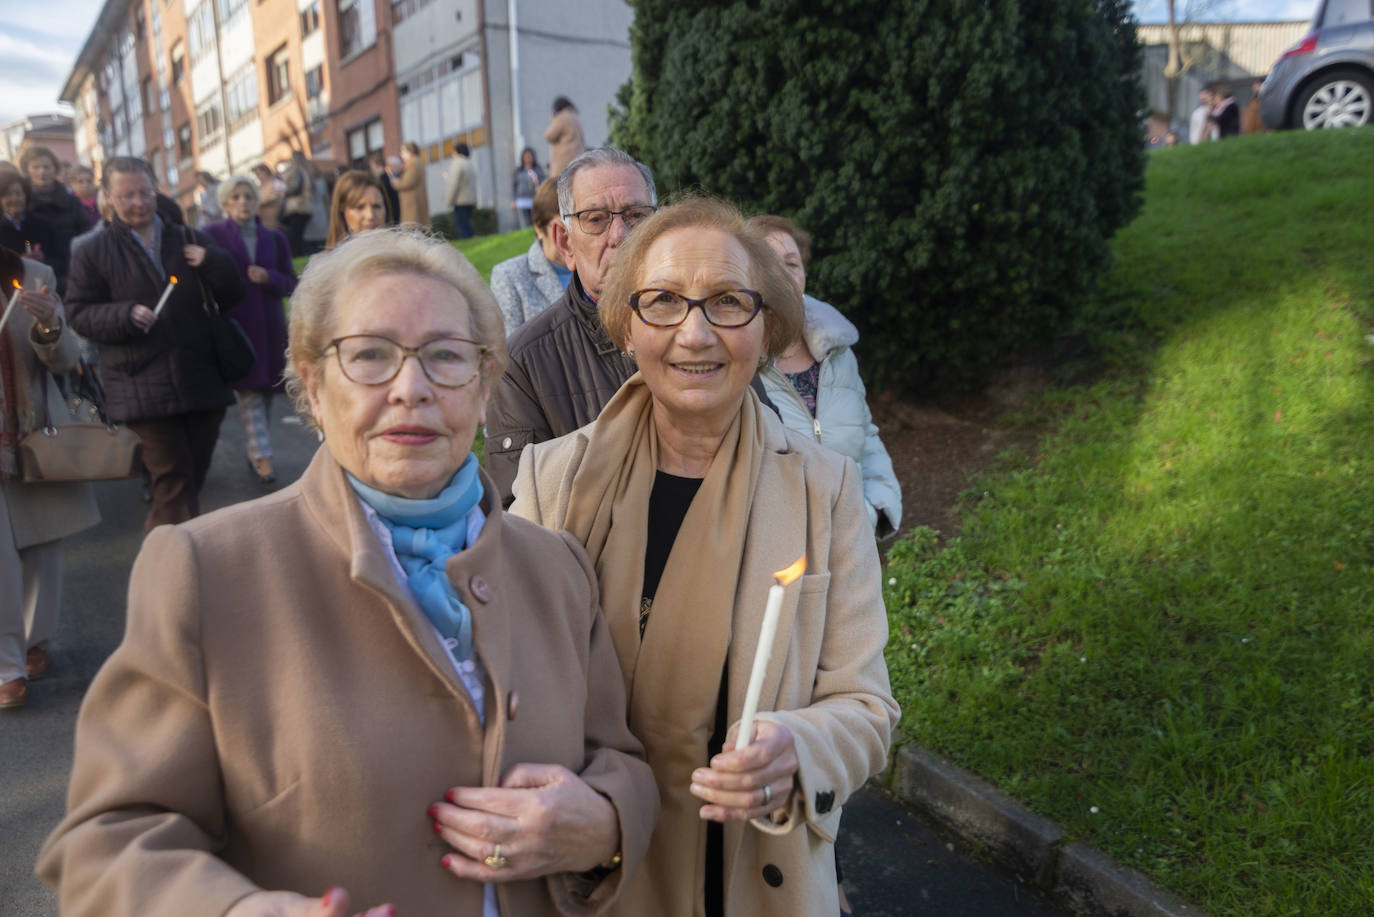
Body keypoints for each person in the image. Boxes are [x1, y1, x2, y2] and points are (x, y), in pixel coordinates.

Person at [38, 227, 658, 916]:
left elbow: (622, 763)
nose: (411, 388)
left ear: (485, 387)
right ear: (313, 383)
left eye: (447, 356)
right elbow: (106, 844)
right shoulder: (205, 571)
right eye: (370, 355)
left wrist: (603, 824)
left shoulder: (557, 568)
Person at [511, 196, 898, 916]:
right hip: (592, 878)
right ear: (625, 325)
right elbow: (509, 689)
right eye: (662, 301)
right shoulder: (550, 481)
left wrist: (799, 747)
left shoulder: (826, 490)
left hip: (749, 879)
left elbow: (867, 706)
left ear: (767, 326)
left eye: (727, 302)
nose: (695, 333)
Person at [64, 156, 246, 531]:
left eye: (144, 192)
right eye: (126, 195)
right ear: (109, 198)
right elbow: (78, 313)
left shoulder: (190, 238)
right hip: (139, 382)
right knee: (173, 483)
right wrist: (125, 314)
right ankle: (177, 572)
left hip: (201, 377)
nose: (138, 202)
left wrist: (213, 262)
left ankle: (166, 555)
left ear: (156, 188)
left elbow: (233, 295)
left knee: (190, 478)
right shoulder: (92, 250)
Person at [483, 148, 655, 501]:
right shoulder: (522, 364)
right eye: (596, 219)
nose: (620, 234)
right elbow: (519, 518)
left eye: (636, 215)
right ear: (565, 243)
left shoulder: (707, 326)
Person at [749, 214, 902, 537]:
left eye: (792, 263)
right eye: (768, 263)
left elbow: (867, 436)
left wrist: (875, 509)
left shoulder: (839, 352)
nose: (784, 274)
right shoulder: (735, 362)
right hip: (778, 554)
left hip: (852, 544)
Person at [0, 249, 101, 710]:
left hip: (34, 427)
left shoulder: (33, 273)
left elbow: (64, 360)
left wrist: (49, 327)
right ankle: (7, 666)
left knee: (43, 546)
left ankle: (33, 639)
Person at [203, 173, 298, 484]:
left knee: (266, 391)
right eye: (236, 197)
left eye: (248, 196)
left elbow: (291, 283)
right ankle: (262, 455)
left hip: (270, 325)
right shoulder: (211, 234)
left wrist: (269, 277)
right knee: (249, 392)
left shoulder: (275, 238)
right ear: (226, 203)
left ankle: (258, 447)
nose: (243, 202)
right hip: (237, 324)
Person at [489, 176, 569, 335]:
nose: (571, 237)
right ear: (539, 227)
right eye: (561, 228)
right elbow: (509, 350)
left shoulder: (599, 269)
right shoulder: (510, 276)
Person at [20, 145, 92, 296]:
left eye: (47, 167)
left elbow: (86, 232)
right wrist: (29, 249)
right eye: (36, 167)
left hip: (71, 272)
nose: (42, 172)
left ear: (54, 169)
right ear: (28, 170)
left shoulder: (71, 202)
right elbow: (23, 238)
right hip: (37, 277)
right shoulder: (22, 203)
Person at [0, 172, 56, 268]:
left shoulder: (42, 224)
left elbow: (61, 259)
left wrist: (43, 259)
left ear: (26, 195)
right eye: (8, 194)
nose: (15, 199)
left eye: (18, 193)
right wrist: (18, 261)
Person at [323, 169, 390, 250]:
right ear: (342, 210)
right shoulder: (327, 261)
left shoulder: (402, 255)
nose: (370, 215)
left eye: (376, 206)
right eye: (360, 207)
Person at [279, 151, 316, 256]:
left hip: (297, 207)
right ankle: (301, 254)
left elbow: (296, 188)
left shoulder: (297, 171)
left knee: (295, 236)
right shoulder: (308, 171)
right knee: (298, 235)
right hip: (306, 207)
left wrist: (284, 193)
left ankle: (297, 255)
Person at [545, 97, 586, 178]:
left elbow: (549, 136)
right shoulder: (576, 117)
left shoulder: (562, 117)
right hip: (577, 159)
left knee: (560, 187)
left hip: (563, 162)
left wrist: (554, 120)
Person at [446, 142, 478, 239]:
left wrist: (449, 201)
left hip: (460, 200)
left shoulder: (457, 163)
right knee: (466, 223)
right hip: (470, 199)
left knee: (461, 225)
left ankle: (469, 243)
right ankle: (473, 240)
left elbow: (454, 184)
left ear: (456, 152)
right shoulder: (469, 163)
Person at [394, 141, 430, 228]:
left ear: (410, 151)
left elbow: (407, 182)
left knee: (412, 228)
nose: (401, 154)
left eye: (403, 151)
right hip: (414, 201)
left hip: (412, 203)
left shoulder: (413, 163)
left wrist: (395, 182)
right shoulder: (415, 162)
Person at [512, 146, 546, 227]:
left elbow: (544, 181)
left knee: (535, 217)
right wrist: (514, 200)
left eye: (529, 156)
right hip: (522, 198)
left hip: (534, 198)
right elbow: (514, 186)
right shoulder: (519, 171)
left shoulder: (537, 169)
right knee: (525, 220)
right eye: (526, 156)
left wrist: (536, 181)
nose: (527, 158)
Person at [368, 151, 400, 225]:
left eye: (371, 165)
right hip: (395, 209)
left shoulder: (383, 177)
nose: (371, 168)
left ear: (376, 164)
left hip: (392, 212)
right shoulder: (387, 174)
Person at [252, 163, 283, 231]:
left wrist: (262, 203)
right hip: (262, 221)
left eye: (259, 173)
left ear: (265, 172)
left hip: (275, 219)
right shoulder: (259, 188)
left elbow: (279, 196)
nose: (258, 176)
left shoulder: (276, 183)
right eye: (256, 174)